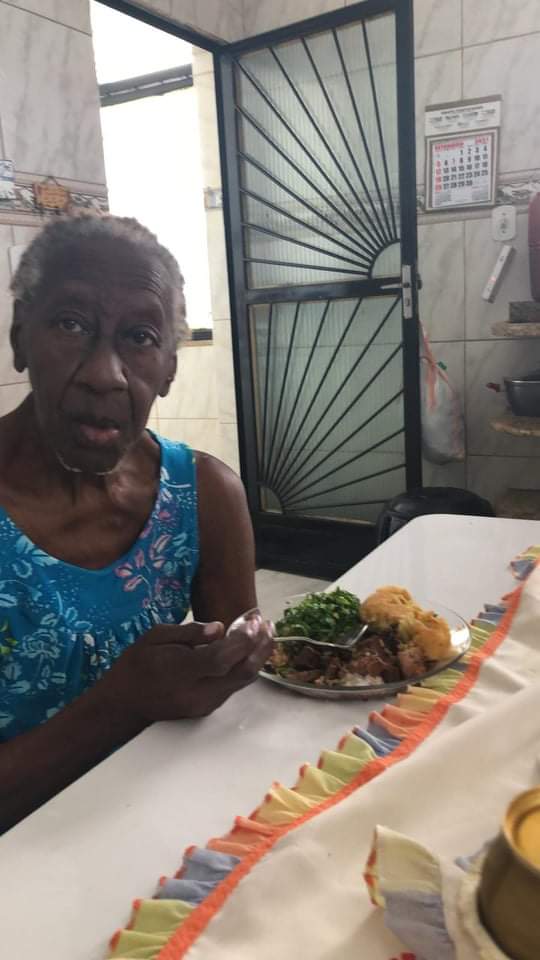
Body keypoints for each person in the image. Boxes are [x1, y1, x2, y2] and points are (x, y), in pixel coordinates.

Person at [0, 212, 273, 831]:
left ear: (170, 368)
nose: (105, 374)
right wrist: (121, 704)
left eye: (141, 337)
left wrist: (239, 658)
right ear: (20, 337)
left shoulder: (202, 495)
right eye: (71, 324)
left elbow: (234, 711)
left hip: (157, 831)